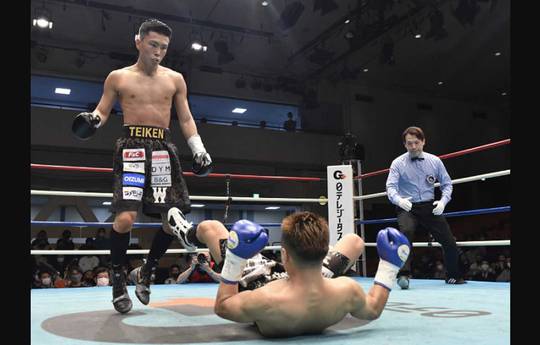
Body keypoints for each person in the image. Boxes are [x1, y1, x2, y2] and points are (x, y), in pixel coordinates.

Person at [70, 18, 212, 313]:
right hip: (132, 148)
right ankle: (119, 279)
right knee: (124, 220)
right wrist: (93, 120)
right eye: (153, 45)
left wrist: (198, 149)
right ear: (139, 42)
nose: (158, 52)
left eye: (163, 47)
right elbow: (102, 110)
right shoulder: (118, 77)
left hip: (163, 149)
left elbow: (185, 119)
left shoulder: (175, 79)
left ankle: (146, 271)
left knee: (170, 222)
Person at [168, 209, 410, 337]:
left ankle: (188, 234)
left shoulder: (264, 299)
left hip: (257, 279)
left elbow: (223, 306)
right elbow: (374, 309)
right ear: (325, 251)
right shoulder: (347, 291)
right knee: (355, 241)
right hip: (319, 281)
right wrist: (389, 266)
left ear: (284, 255)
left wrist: (234, 258)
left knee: (212, 228)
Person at [385, 126, 465, 288]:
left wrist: (443, 201)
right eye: (409, 143)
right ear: (404, 145)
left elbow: (447, 184)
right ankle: (404, 275)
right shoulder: (398, 163)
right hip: (407, 206)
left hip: (430, 205)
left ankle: (453, 275)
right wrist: (399, 200)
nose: (413, 146)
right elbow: (390, 187)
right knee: (405, 233)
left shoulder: (435, 161)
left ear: (423, 142)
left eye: (416, 142)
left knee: (449, 240)